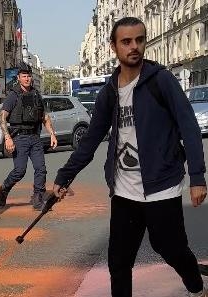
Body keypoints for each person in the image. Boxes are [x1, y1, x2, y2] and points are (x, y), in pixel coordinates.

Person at [52, 17, 207, 297]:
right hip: (124, 191)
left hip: (162, 186)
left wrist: (197, 176)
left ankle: (196, 286)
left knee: (170, 247)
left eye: (140, 39)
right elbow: (90, 140)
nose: (134, 47)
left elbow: (189, 126)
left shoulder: (161, 80)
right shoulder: (109, 92)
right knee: (119, 261)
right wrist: (65, 176)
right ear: (114, 46)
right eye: (126, 41)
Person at [0, 61, 57, 210]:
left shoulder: (36, 95)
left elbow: (44, 117)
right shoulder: (13, 95)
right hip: (19, 138)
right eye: (24, 76)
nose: (27, 79)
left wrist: (52, 134)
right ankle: (4, 188)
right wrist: (7, 137)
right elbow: (2, 117)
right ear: (19, 78)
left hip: (35, 138)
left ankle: (38, 199)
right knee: (19, 171)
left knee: (41, 168)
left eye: (29, 76)